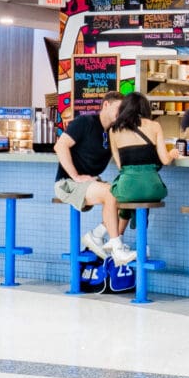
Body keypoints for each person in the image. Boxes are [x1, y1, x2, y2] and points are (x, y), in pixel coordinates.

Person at [100, 93, 170, 264]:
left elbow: (120, 166)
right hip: (153, 189)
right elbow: (165, 160)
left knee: (125, 191)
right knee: (139, 193)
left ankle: (116, 239)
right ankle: (137, 244)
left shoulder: (114, 130)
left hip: (127, 187)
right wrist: (174, 153)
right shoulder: (155, 126)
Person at [55, 95, 125, 258]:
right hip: (68, 183)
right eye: (119, 108)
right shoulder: (84, 122)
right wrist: (76, 176)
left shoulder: (113, 132)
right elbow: (60, 146)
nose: (121, 113)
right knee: (110, 192)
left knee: (125, 194)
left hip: (91, 183)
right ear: (106, 105)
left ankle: (97, 235)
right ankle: (117, 247)